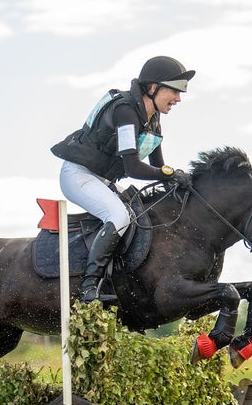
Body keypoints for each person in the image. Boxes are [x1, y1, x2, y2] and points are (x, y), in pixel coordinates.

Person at [51, 55, 196, 303]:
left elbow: (158, 167)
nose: (178, 98)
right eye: (175, 90)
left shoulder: (153, 118)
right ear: (153, 87)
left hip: (101, 179)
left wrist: (180, 181)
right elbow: (133, 167)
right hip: (78, 175)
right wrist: (169, 174)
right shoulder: (126, 111)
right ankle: (89, 287)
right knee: (119, 215)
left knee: (139, 212)